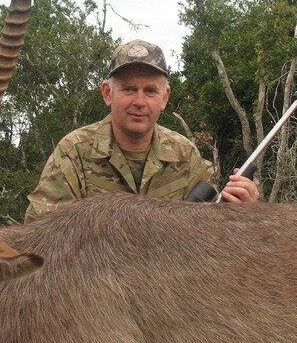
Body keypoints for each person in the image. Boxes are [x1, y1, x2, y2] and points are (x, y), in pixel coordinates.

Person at [24, 39, 260, 223]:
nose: (139, 101)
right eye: (128, 89)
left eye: (150, 91)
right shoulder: (73, 151)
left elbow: (212, 233)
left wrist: (244, 212)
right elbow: (43, 233)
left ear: (165, 97)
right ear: (108, 93)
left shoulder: (184, 154)